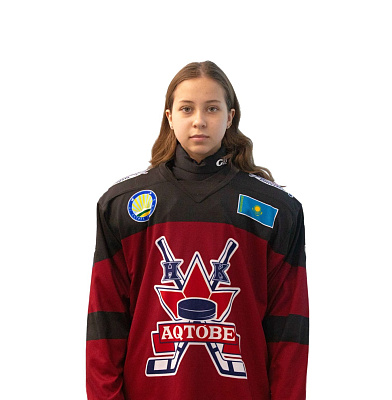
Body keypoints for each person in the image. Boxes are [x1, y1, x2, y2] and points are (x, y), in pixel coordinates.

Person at [86, 61, 309, 400]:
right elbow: (105, 322)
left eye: (212, 108)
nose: (199, 120)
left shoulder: (277, 210)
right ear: (169, 116)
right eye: (187, 108)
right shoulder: (121, 204)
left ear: (230, 117)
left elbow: (289, 330)